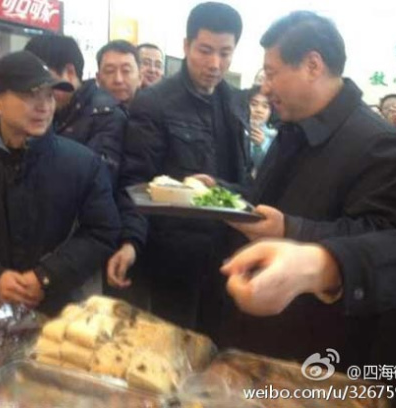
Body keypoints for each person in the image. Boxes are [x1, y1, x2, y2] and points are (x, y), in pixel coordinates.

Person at [220, 10, 396, 369]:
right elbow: (268, 198)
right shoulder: (293, 127)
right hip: (255, 325)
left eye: (271, 73)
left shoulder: (379, 145)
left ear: (312, 65)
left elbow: (382, 242)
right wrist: (221, 192)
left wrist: (290, 230)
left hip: (313, 352)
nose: (265, 86)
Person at [0, 51, 120, 313]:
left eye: (49, 95)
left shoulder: (83, 163)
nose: (44, 106)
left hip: (63, 311)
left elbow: (102, 232)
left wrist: (46, 276)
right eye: (30, 95)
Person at [107, 2, 250, 333]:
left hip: (227, 253)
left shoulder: (234, 101)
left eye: (225, 53)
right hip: (173, 256)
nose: (215, 64)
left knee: (218, 346)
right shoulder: (155, 101)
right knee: (172, 350)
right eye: (205, 50)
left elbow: (241, 177)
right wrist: (131, 241)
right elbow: (135, 180)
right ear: (186, 46)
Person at [24, 33, 127, 185]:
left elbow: (97, 178)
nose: (38, 92)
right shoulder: (51, 111)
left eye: (44, 81)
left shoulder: (106, 115)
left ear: (69, 72)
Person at [96, 40, 142, 107]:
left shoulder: (156, 113)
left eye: (126, 71)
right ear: (98, 79)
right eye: (110, 71)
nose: (118, 80)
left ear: (140, 77)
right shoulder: (84, 114)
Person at [247, 85, 276, 172]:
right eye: (254, 104)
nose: (259, 110)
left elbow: (266, 168)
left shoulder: (274, 137)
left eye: (265, 106)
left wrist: (259, 147)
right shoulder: (235, 129)